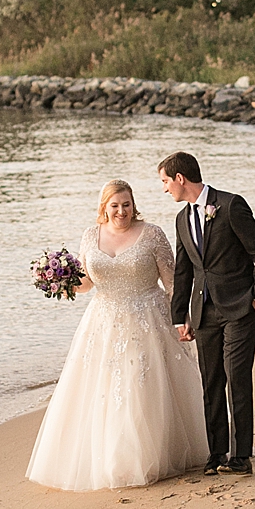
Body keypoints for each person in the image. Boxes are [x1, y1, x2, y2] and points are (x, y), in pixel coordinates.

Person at [26, 180, 209, 490]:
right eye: (115, 205)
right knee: (106, 391)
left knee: (142, 387)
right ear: (104, 207)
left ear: (133, 204)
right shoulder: (90, 236)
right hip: (103, 322)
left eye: (126, 204)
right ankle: (117, 463)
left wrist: (183, 317)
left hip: (148, 319)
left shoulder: (151, 234)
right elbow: (86, 284)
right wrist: (58, 279)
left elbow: (173, 282)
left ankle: (151, 457)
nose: (121, 211)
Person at [158, 152, 255, 476]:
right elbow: (184, 272)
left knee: (237, 378)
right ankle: (216, 454)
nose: (165, 189)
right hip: (204, 312)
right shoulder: (182, 219)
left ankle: (241, 457)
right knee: (211, 382)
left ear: (180, 178)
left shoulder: (231, 205)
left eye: (166, 181)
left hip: (240, 308)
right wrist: (180, 316)